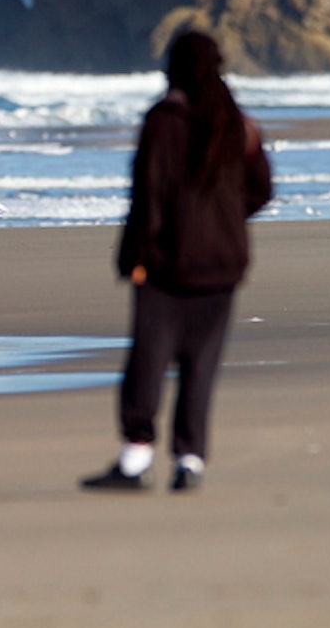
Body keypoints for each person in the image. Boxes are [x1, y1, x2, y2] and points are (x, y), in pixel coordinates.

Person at [81, 30, 273, 493]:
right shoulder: (237, 122)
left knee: (148, 360)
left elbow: (149, 195)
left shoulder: (164, 120)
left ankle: (135, 459)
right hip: (224, 264)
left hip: (167, 263)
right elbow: (262, 189)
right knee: (200, 365)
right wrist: (226, 219)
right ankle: (190, 460)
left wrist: (134, 256)